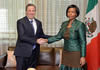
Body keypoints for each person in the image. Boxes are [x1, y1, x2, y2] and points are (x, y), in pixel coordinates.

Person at [37, 4, 86, 70]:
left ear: (76, 14)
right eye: (69, 12)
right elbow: (58, 36)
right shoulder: (64, 24)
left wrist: (82, 56)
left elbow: (83, 41)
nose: (70, 14)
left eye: (73, 12)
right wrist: (46, 40)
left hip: (75, 53)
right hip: (65, 52)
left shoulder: (80, 25)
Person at [14, 4, 49, 70]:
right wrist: (36, 41)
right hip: (22, 53)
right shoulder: (20, 22)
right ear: (26, 11)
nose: (31, 12)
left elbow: (41, 35)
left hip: (34, 53)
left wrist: (56, 37)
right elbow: (22, 36)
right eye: (29, 10)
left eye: (33, 10)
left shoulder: (38, 22)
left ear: (35, 11)